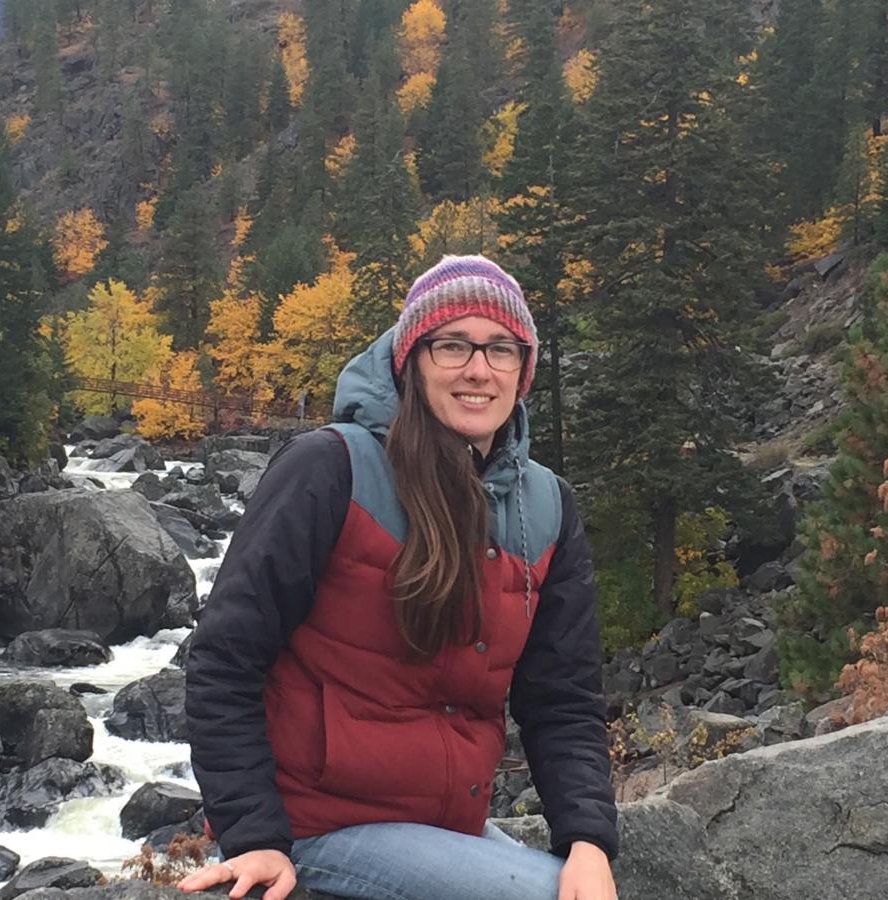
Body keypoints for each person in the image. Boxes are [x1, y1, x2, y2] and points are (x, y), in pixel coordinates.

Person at [178, 255, 618, 900]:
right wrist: (255, 837)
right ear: (410, 358)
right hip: (315, 821)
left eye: (501, 348)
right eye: (453, 345)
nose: (478, 368)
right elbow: (223, 659)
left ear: (523, 370)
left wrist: (587, 840)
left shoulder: (546, 505)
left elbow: (562, 699)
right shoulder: (330, 468)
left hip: (440, 820)